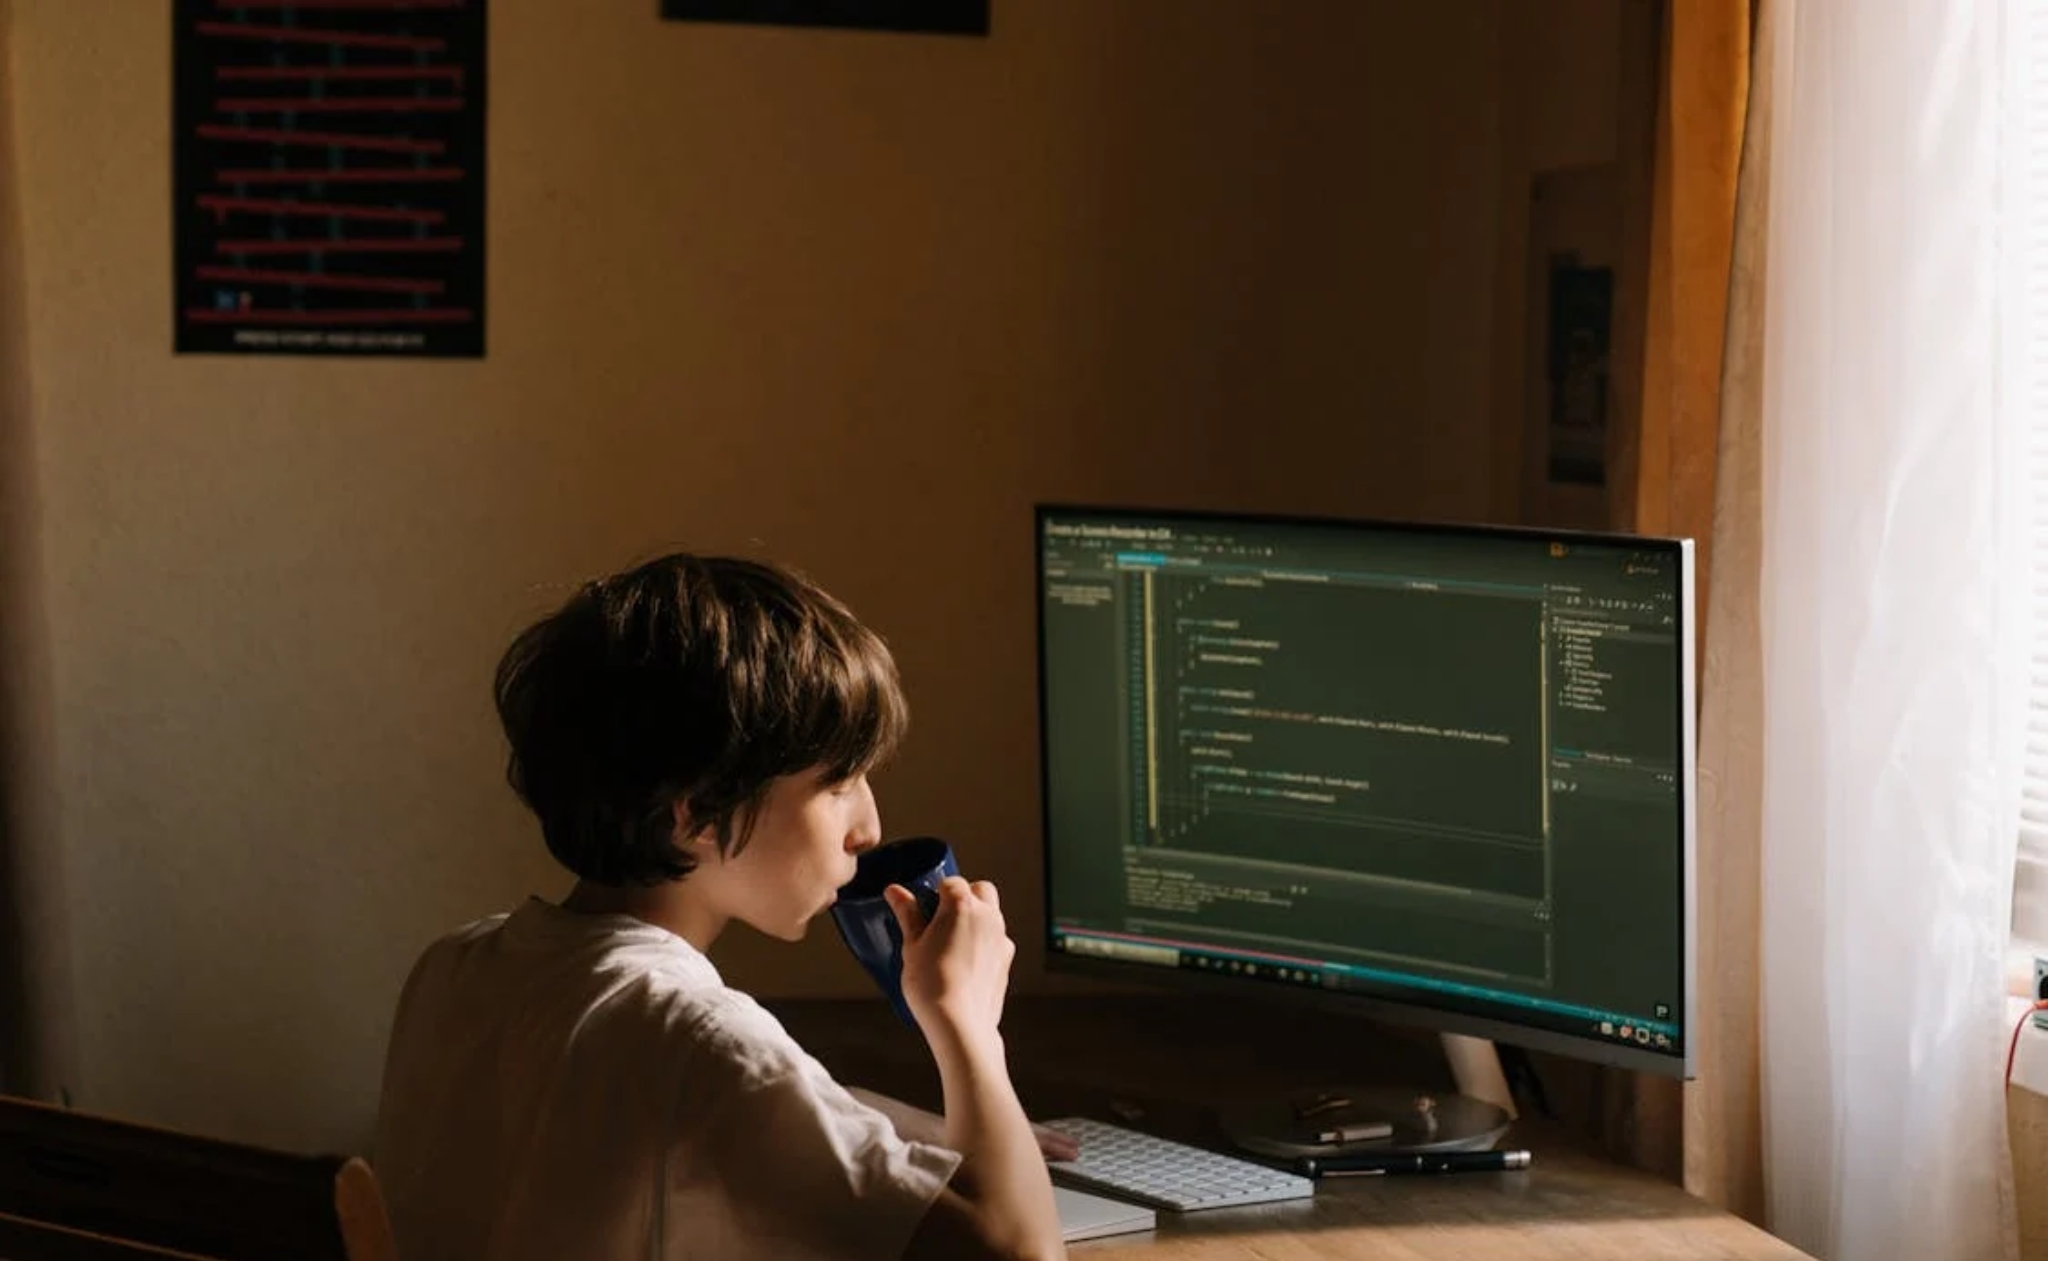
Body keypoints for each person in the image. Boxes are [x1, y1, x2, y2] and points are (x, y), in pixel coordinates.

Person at [373, 553, 1070, 1261]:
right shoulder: (700, 1040)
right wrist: (969, 1026)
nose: (869, 826)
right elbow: (1019, 1253)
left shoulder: (456, 967)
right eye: (838, 783)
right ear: (698, 814)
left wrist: (876, 1114)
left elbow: (649, 1098)